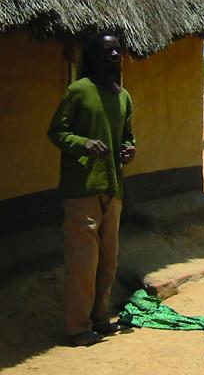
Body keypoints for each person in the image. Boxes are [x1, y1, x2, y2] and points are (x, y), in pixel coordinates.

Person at [47, 33, 136, 346]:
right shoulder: (78, 91)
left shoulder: (124, 96)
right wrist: (83, 143)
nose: (115, 56)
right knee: (84, 263)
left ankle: (100, 317)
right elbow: (56, 131)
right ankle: (77, 327)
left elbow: (128, 136)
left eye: (118, 51)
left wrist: (128, 149)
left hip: (114, 187)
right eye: (107, 51)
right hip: (82, 187)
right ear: (94, 57)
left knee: (108, 261)